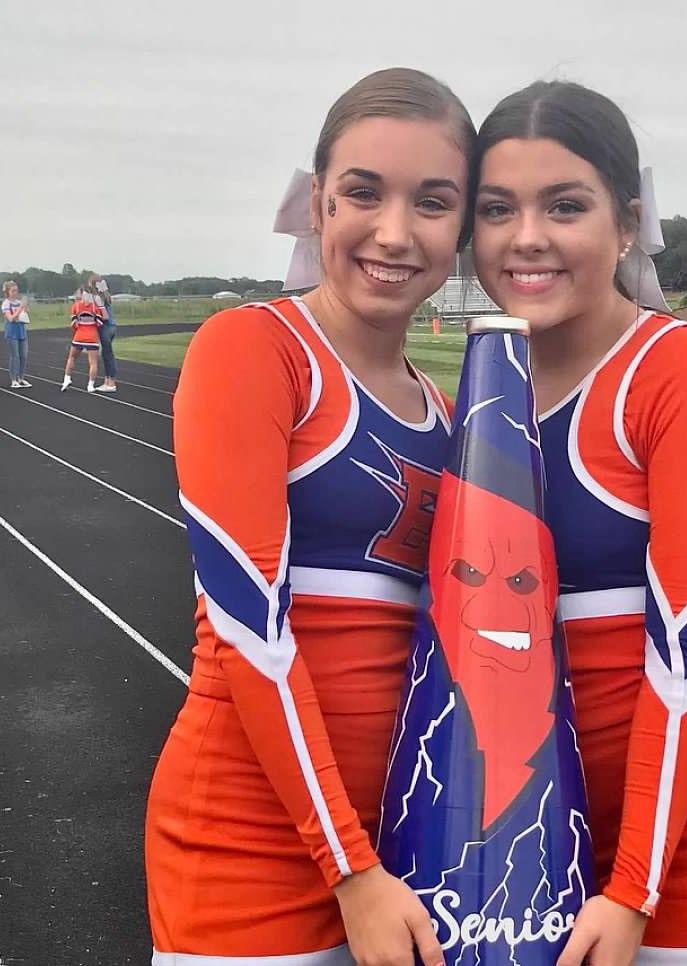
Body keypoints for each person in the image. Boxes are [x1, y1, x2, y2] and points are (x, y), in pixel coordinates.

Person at [472, 79, 687, 966]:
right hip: (539, 838)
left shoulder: (682, 375)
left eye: (565, 206)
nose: (527, 236)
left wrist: (635, 887)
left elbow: (685, 658)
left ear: (627, 224)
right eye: (497, 208)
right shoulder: (479, 401)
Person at [144, 68, 474, 966]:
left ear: (461, 227)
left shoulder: (448, 417)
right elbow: (248, 629)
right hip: (252, 849)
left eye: (432, 201)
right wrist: (348, 868)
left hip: (407, 848)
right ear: (319, 201)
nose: (395, 231)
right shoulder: (255, 350)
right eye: (364, 192)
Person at [61, 283, 103, 392]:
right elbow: (99, 323)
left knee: (72, 358)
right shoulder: (95, 307)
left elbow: (73, 324)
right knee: (93, 363)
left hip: (79, 336)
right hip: (92, 338)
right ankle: (90, 385)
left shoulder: (76, 306)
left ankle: (66, 379)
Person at [90, 274, 119, 391]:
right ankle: (107, 381)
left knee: (108, 355)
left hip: (105, 327)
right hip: (112, 326)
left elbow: (104, 316)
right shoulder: (106, 296)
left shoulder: (98, 298)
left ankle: (111, 383)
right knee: (106, 354)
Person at [2, 279, 31, 388]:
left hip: (21, 331)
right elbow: (10, 318)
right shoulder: (6, 303)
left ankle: (21, 378)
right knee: (15, 356)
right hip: (12, 332)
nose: (15, 293)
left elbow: (25, 314)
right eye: (13, 291)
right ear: (8, 292)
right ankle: (13, 380)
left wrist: (25, 307)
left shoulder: (19, 302)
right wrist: (19, 309)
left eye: (16, 290)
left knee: (24, 356)